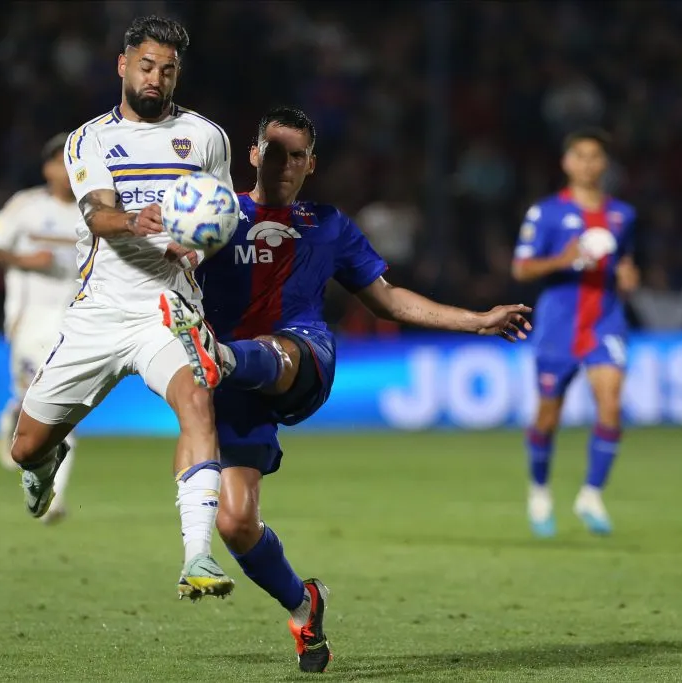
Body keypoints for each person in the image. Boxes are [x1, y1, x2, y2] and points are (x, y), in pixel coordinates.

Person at [160, 106, 533, 673]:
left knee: (270, 348)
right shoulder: (216, 213)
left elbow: (388, 299)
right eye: (275, 152)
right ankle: (302, 604)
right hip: (230, 383)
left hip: (300, 355)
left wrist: (476, 320)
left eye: (298, 156)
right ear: (253, 154)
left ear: (311, 164)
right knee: (235, 522)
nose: (285, 164)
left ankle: (223, 355)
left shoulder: (327, 224)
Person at [11, 15, 236, 600]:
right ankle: (44, 466)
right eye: (146, 66)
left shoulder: (207, 138)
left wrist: (200, 246)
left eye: (168, 69)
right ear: (123, 65)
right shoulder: (87, 140)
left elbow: (222, 217)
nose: (155, 78)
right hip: (100, 313)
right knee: (25, 447)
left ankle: (198, 556)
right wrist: (136, 220)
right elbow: (97, 215)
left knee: (197, 404)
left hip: (168, 309)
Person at [512, 128, 639, 538]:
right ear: (566, 163)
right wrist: (562, 260)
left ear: (605, 164)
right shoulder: (546, 213)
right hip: (560, 324)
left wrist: (628, 275)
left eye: (595, 156)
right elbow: (521, 268)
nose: (587, 164)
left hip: (605, 320)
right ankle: (539, 491)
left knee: (611, 405)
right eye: (580, 156)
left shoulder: (623, 215)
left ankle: (591, 495)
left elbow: (625, 262)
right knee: (548, 417)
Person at [0, 133, 82, 523]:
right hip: (29, 322)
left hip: (75, 324)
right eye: (60, 162)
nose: (68, 170)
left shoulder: (94, 210)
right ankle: (15, 411)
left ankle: (54, 497)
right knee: (31, 402)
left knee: (62, 409)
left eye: (73, 162)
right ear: (47, 168)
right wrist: (25, 260)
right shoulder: (26, 206)